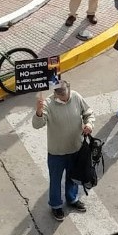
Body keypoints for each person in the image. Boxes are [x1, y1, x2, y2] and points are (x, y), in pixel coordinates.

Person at [32, 80, 95, 221]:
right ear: (55, 94)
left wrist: (89, 124)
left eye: (66, 96)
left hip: (75, 147)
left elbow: (88, 112)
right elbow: (37, 125)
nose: (65, 99)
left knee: (73, 177)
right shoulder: (47, 104)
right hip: (57, 152)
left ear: (69, 90)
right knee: (55, 180)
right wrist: (38, 111)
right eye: (61, 97)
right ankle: (55, 205)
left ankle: (72, 199)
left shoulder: (76, 97)